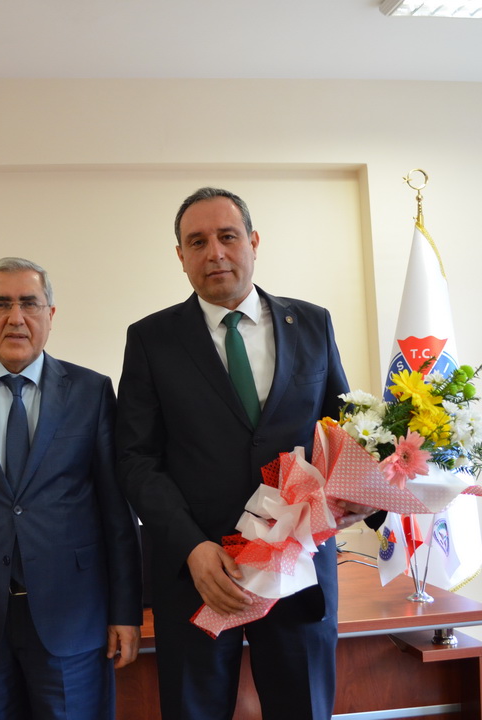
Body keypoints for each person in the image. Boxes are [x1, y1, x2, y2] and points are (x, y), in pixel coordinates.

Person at [115, 188, 371, 720]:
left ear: (253, 242)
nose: (215, 253)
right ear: (180, 256)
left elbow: (342, 430)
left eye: (228, 237)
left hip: (298, 566)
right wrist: (192, 547)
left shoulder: (313, 324)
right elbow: (137, 460)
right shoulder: (151, 339)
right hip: (201, 576)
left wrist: (365, 497)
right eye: (197, 242)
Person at [0, 257, 143, 720]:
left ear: (50, 314)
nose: (15, 318)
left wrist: (126, 612)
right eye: (0, 304)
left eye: (29, 303)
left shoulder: (91, 391)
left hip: (73, 617)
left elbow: (116, 512)